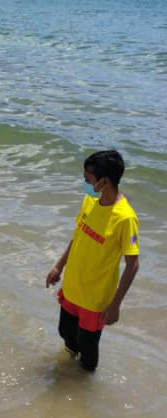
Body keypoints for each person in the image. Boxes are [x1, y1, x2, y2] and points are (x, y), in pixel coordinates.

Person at [45, 149, 139, 372]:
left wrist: (115, 304)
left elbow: (133, 265)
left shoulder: (125, 218)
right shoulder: (89, 201)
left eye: (88, 179)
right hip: (72, 287)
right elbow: (77, 236)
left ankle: (84, 383)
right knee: (65, 333)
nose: (85, 183)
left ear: (104, 182)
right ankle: (68, 376)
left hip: (95, 299)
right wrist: (59, 265)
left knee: (88, 350)